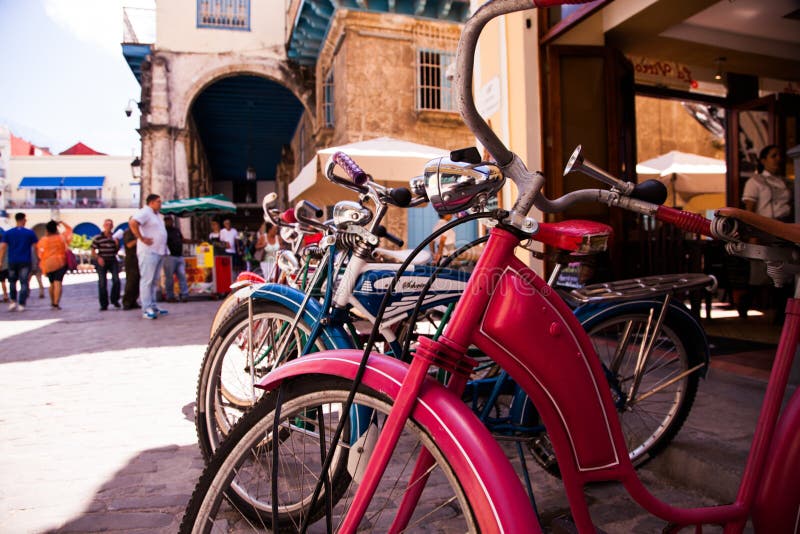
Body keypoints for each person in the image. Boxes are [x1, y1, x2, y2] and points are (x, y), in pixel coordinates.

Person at [739, 144, 793, 319]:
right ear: (763, 160)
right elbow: (749, 209)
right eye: (773, 155)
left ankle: (780, 314)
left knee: (784, 269)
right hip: (765, 229)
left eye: (779, 155)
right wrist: (753, 233)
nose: (778, 159)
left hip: (784, 228)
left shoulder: (784, 182)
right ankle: (745, 302)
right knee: (760, 273)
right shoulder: (755, 182)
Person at [130, 194, 168, 320]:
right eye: (158, 202)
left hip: (158, 251)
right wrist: (141, 238)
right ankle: (146, 308)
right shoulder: (145, 212)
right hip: (148, 251)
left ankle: (153, 305)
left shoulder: (156, 215)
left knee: (154, 280)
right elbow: (133, 222)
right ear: (151, 202)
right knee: (147, 280)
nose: (160, 204)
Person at [0, 213, 38, 311]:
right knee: (24, 282)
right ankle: (21, 303)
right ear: (22, 220)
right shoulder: (29, 233)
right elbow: (35, 247)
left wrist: (0, 261)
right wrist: (37, 259)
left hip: (12, 261)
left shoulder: (8, 233)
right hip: (25, 261)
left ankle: (13, 301)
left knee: (12, 282)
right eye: (25, 220)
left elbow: (3, 247)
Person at [36, 220, 73, 310]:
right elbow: (70, 230)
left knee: (51, 283)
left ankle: (52, 302)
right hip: (61, 262)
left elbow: (39, 253)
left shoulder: (43, 240)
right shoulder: (61, 238)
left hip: (48, 264)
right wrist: (62, 222)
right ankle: (56, 303)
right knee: (58, 282)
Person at [91, 219, 121, 311]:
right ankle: (104, 304)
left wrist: (117, 244)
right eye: (107, 224)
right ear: (104, 225)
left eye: (110, 225)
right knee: (102, 283)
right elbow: (93, 250)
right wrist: (98, 258)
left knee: (116, 280)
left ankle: (114, 299)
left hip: (112, 260)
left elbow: (116, 251)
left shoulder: (114, 237)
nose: (109, 226)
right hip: (102, 260)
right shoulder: (98, 237)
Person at [163, 215, 189, 303]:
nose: (169, 222)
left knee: (182, 275)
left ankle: (184, 294)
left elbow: (182, 240)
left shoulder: (176, 230)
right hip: (170, 256)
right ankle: (170, 295)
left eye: (170, 220)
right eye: (167, 221)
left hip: (179, 255)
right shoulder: (164, 231)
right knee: (169, 277)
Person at [121, 223, 140, 310]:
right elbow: (129, 244)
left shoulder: (138, 232)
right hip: (131, 259)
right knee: (131, 281)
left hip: (139, 259)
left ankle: (134, 300)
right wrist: (139, 238)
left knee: (138, 281)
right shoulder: (128, 233)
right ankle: (127, 302)